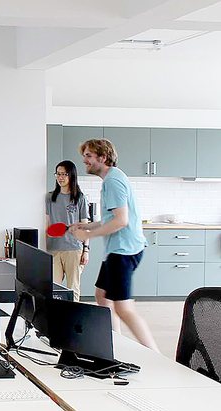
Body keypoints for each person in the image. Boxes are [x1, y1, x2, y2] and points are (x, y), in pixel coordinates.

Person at [70, 139, 160, 352]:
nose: (84, 160)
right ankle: (115, 343)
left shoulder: (113, 181)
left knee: (123, 307)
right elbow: (110, 218)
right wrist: (87, 226)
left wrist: (85, 234)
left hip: (124, 251)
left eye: (89, 156)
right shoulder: (111, 179)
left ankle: (155, 354)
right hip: (117, 250)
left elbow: (121, 221)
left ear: (103, 157)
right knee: (102, 295)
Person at [46, 160, 89, 301]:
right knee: (54, 291)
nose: (60, 177)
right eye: (58, 174)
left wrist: (86, 250)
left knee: (73, 289)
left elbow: (84, 226)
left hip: (74, 249)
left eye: (64, 174)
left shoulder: (80, 198)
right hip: (54, 249)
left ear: (71, 175)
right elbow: (46, 225)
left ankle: (73, 321)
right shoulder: (50, 197)